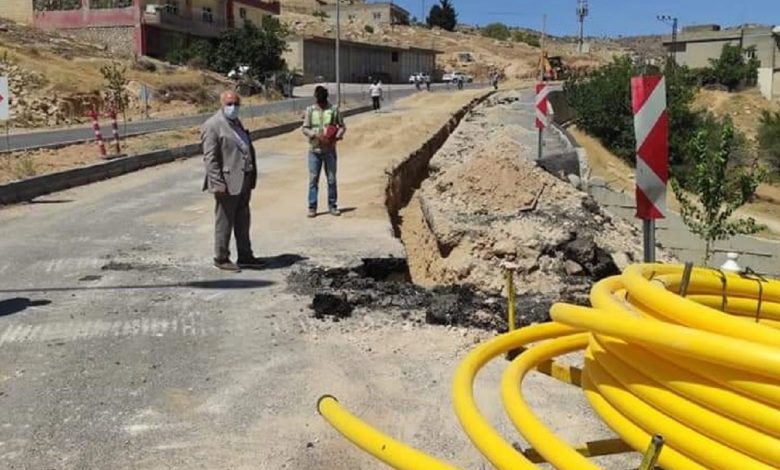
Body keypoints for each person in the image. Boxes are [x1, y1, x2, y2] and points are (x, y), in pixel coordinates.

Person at [201, 90, 264, 272]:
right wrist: (217, 182)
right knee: (225, 222)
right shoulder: (213, 125)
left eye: (236, 104)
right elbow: (210, 158)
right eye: (229, 104)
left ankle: (245, 256)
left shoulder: (236, 123)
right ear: (221, 104)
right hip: (226, 183)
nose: (233, 107)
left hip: (243, 180)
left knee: (243, 221)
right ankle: (221, 257)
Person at [302, 86, 346, 218]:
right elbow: (305, 128)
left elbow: (342, 126)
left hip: (330, 151)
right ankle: (312, 207)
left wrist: (337, 136)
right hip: (314, 150)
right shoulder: (310, 110)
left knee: (331, 179)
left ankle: (332, 205)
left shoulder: (334, 110)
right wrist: (315, 135)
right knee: (313, 179)